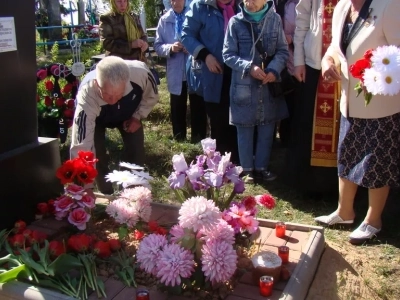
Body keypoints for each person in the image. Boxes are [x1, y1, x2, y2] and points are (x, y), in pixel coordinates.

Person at [315, 0, 400, 244]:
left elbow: (398, 53)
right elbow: (335, 47)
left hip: (381, 102)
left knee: (377, 162)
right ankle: (345, 212)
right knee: (347, 155)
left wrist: (377, 72)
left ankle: (373, 221)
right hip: (349, 101)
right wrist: (327, 62)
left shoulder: (390, 5)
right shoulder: (342, 6)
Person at [70, 56, 159, 198]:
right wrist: (84, 186)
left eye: (118, 94)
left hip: (129, 112)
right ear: (97, 85)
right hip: (97, 119)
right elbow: (81, 145)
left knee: (136, 149)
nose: (112, 101)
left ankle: (132, 193)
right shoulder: (87, 96)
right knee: (96, 154)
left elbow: (151, 96)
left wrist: (138, 116)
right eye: (107, 95)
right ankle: (105, 193)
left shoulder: (141, 73)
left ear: (127, 82)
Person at [223, 0, 289, 182]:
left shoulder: (274, 20)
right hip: (243, 86)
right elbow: (227, 54)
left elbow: (283, 51)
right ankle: (247, 170)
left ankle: (262, 167)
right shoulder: (235, 22)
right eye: (245, 0)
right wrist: (248, 67)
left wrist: (274, 70)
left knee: (267, 127)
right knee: (244, 128)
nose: (248, 3)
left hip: (268, 84)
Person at [283, 0, 340, 196]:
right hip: (314, 63)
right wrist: (298, 61)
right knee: (308, 123)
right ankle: (309, 184)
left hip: (345, 67)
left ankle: (340, 187)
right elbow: (303, 19)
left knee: (341, 125)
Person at [181, 0, 240, 163]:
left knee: (240, 118)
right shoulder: (199, 6)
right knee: (219, 119)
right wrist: (205, 56)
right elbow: (186, 35)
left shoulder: (243, 4)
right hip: (213, 71)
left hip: (240, 72)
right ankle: (221, 165)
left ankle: (241, 161)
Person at [154, 0, 207, 142]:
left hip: (194, 68)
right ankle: (179, 138)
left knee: (197, 105)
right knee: (177, 106)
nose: (175, 2)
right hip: (176, 70)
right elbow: (157, 46)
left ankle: (199, 138)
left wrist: (191, 48)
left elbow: (203, 39)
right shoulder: (164, 20)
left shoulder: (193, 17)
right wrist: (170, 48)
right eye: (172, 0)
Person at [273, 0, 299, 147]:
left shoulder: (299, 3)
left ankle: (288, 140)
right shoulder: (270, 3)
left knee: (292, 103)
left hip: (295, 62)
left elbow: (309, 30)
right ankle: (270, 142)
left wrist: (291, 38)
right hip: (273, 62)